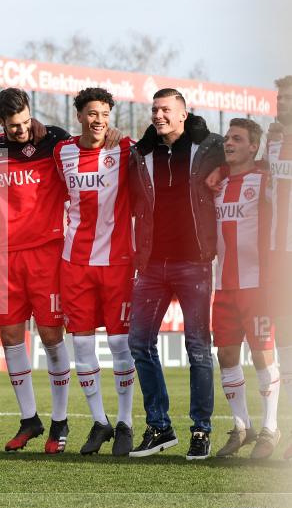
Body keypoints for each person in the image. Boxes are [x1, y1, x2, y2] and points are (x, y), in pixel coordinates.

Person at [127, 88, 224, 460]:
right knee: (139, 343)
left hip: (195, 262)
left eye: (165, 109)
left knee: (198, 348)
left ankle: (201, 430)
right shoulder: (141, 152)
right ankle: (160, 427)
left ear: (183, 114)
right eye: (154, 109)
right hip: (151, 264)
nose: (158, 115)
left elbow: (249, 157)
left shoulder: (210, 147)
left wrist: (226, 168)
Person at [0, 88, 74, 454]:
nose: (20, 131)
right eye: (12, 126)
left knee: (51, 337)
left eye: (23, 123)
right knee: (9, 337)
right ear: (1, 123)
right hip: (6, 256)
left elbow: (90, 150)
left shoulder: (56, 141)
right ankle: (29, 420)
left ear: (30, 113)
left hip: (46, 253)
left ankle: (60, 422)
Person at [52, 88, 136, 456]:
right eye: (91, 113)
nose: (98, 119)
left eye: (104, 113)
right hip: (74, 264)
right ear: (79, 116)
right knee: (82, 347)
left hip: (118, 262)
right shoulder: (62, 152)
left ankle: (125, 423)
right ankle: (100, 422)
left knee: (120, 345)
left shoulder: (125, 148)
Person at [209, 119, 280, 459]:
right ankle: (241, 426)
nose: (229, 142)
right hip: (223, 286)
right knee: (225, 355)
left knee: (262, 355)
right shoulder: (217, 184)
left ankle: (270, 428)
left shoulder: (265, 180)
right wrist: (221, 170)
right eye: (227, 138)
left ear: (254, 146)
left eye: (237, 139)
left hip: (258, 285)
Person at [264, 76, 292, 460]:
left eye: (288, 98)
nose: (282, 102)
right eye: (279, 97)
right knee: (285, 352)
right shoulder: (272, 142)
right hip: (278, 262)